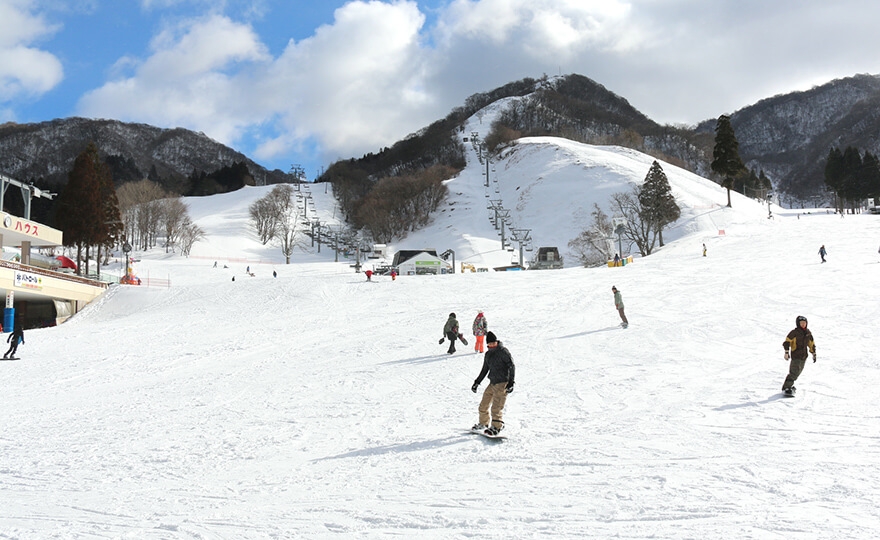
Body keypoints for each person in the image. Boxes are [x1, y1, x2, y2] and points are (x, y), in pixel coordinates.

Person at [471, 331, 515, 436]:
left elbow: (511, 366)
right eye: (489, 344)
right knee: (483, 404)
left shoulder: (503, 352)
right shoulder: (488, 354)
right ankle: (483, 423)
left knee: (496, 407)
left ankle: (497, 426)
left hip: (502, 382)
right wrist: (477, 382)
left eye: (493, 343)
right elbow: (485, 369)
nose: (491, 345)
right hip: (493, 382)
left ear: (496, 341)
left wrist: (511, 382)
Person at [781, 315, 817, 395]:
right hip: (796, 355)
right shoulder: (794, 333)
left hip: (804, 356)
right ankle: (786, 387)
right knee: (794, 372)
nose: (803, 324)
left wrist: (813, 353)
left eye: (804, 323)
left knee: (797, 373)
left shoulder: (808, 333)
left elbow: (811, 343)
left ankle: (788, 386)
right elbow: (787, 342)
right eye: (801, 323)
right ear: (798, 324)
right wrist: (786, 352)